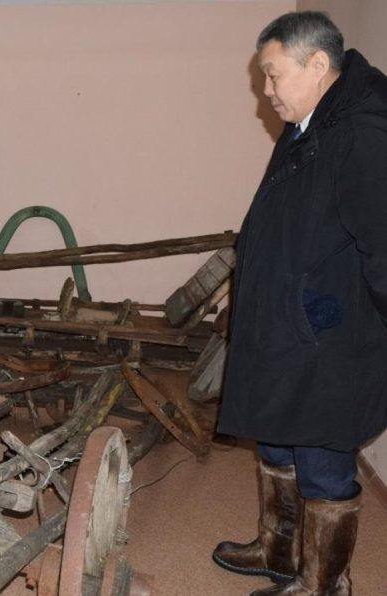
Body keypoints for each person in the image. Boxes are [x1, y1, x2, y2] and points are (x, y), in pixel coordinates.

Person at [213, 11, 387, 595]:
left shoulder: (363, 133)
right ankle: (279, 548)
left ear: (317, 64)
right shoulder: (311, 122)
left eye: (272, 73)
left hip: (327, 336)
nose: (266, 89)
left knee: (322, 462)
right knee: (277, 434)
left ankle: (324, 584)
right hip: (288, 322)